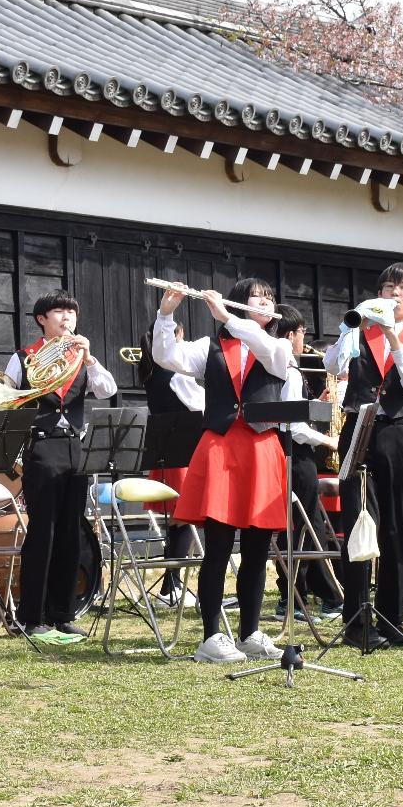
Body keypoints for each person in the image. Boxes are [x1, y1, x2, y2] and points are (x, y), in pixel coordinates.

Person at [151, 279, 294, 664]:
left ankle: (250, 632)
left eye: (269, 298)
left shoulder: (278, 346)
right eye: (255, 298)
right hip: (220, 448)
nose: (264, 303)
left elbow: (263, 348)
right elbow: (167, 357)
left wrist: (229, 316)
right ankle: (211, 635)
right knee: (216, 546)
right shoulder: (209, 345)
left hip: (262, 449)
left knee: (257, 550)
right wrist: (166, 313)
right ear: (240, 302)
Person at [322, 264, 403, 651]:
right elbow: (332, 367)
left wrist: (393, 335)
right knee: (359, 524)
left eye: (402, 288)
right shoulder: (359, 332)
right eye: (387, 286)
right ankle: (357, 621)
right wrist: (348, 329)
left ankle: (392, 619)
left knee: (395, 527)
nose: (393, 292)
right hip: (357, 429)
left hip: (396, 435)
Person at [1, 292, 117, 644]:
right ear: (42, 319)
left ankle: (63, 614)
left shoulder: (81, 357)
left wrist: (90, 357)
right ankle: (32, 615)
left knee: (71, 532)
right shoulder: (23, 358)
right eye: (59, 312)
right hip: (41, 446)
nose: (67, 318)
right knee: (43, 533)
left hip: (75, 447)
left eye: (71, 312)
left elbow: (106, 389)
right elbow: (6, 398)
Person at [271, 305, 345, 621]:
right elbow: (294, 425)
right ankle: (307, 598)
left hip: (287, 455)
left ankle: (312, 596)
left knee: (303, 526)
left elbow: (295, 413)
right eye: (302, 332)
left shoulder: (277, 367)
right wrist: (329, 441)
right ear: (291, 335)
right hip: (296, 456)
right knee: (303, 527)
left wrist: (319, 404)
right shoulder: (289, 370)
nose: (304, 339)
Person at [135, 326, 203, 602]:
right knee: (185, 519)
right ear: (177, 336)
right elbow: (201, 405)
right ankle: (172, 586)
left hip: (166, 453)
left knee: (177, 523)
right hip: (184, 453)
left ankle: (170, 586)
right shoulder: (176, 373)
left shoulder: (151, 370)